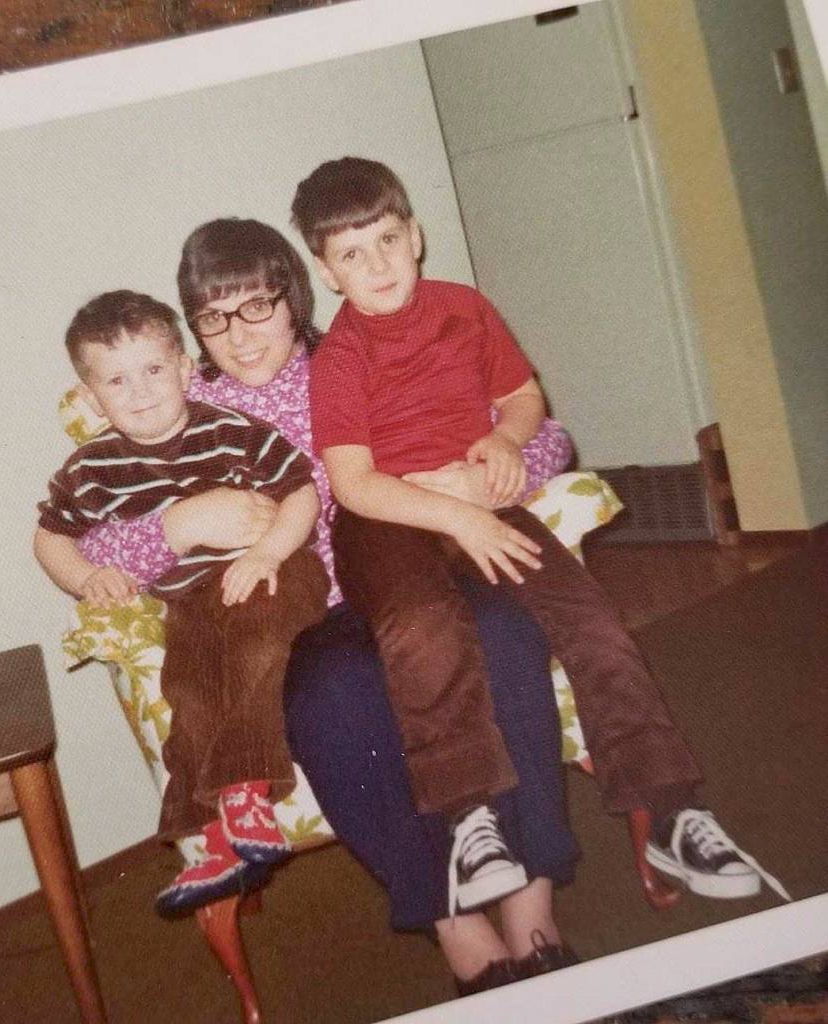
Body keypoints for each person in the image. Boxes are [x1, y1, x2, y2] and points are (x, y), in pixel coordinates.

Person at [74, 219, 581, 993]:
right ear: (190, 332)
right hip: (310, 617)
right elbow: (92, 542)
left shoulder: (355, 363)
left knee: (504, 635)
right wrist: (179, 523)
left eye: (257, 307)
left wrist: (484, 478)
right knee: (329, 698)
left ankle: (531, 904)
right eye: (213, 318)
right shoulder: (176, 407)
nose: (239, 337)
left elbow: (544, 438)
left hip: (422, 574)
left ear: (294, 299)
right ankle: (454, 924)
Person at [291, 155, 789, 911]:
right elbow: (354, 484)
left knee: (587, 618)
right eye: (352, 254)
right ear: (328, 273)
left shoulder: (466, 309)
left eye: (388, 239)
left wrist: (506, 441)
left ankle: (671, 809)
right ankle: (470, 821)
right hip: (388, 518)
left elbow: (523, 397)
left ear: (416, 236)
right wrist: (456, 514)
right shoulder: (338, 360)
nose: (378, 264)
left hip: (483, 500)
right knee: (423, 625)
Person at [34, 290, 331, 915]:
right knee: (189, 687)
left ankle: (246, 791)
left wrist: (268, 552)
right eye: (117, 380)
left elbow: (301, 491)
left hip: (275, 576)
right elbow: (49, 539)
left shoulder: (231, 430)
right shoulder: (91, 469)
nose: (140, 391)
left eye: (153, 369)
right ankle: (211, 839)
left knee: (255, 648)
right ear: (92, 397)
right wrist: (87, 577)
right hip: (191, 601)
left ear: (184, 368)